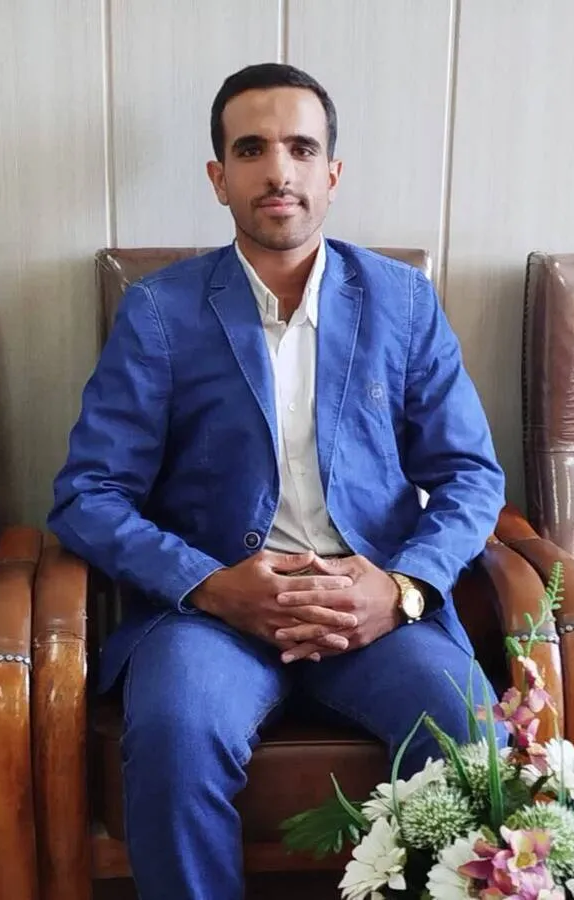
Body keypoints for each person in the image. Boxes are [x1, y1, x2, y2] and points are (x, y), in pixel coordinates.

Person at [48, 62, 506, 899]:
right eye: (251, 149)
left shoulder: (403, 302)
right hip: (213, 616)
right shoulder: (159, 312)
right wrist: (211, 585)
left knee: (473, 731)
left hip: (369, 605)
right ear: (219, 177)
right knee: (177, 731)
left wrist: (401, 588)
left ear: (333, 173)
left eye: (301, 148)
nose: (279, 171)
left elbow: (471, 476)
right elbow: (88, 494)